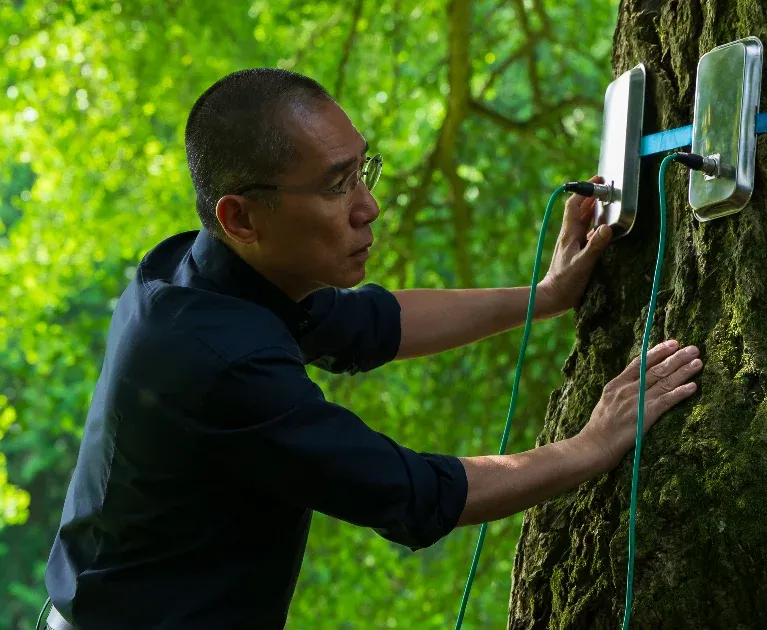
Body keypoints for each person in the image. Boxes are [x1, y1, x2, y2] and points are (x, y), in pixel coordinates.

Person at [38, 68, 703, 629]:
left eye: (363, 171)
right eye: (337, 186)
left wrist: (546, 296)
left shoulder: (208, 270)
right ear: (240, 217)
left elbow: (372, 326)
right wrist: (589, 446)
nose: (370, 207)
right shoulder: (217, 361)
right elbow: (412, 492)